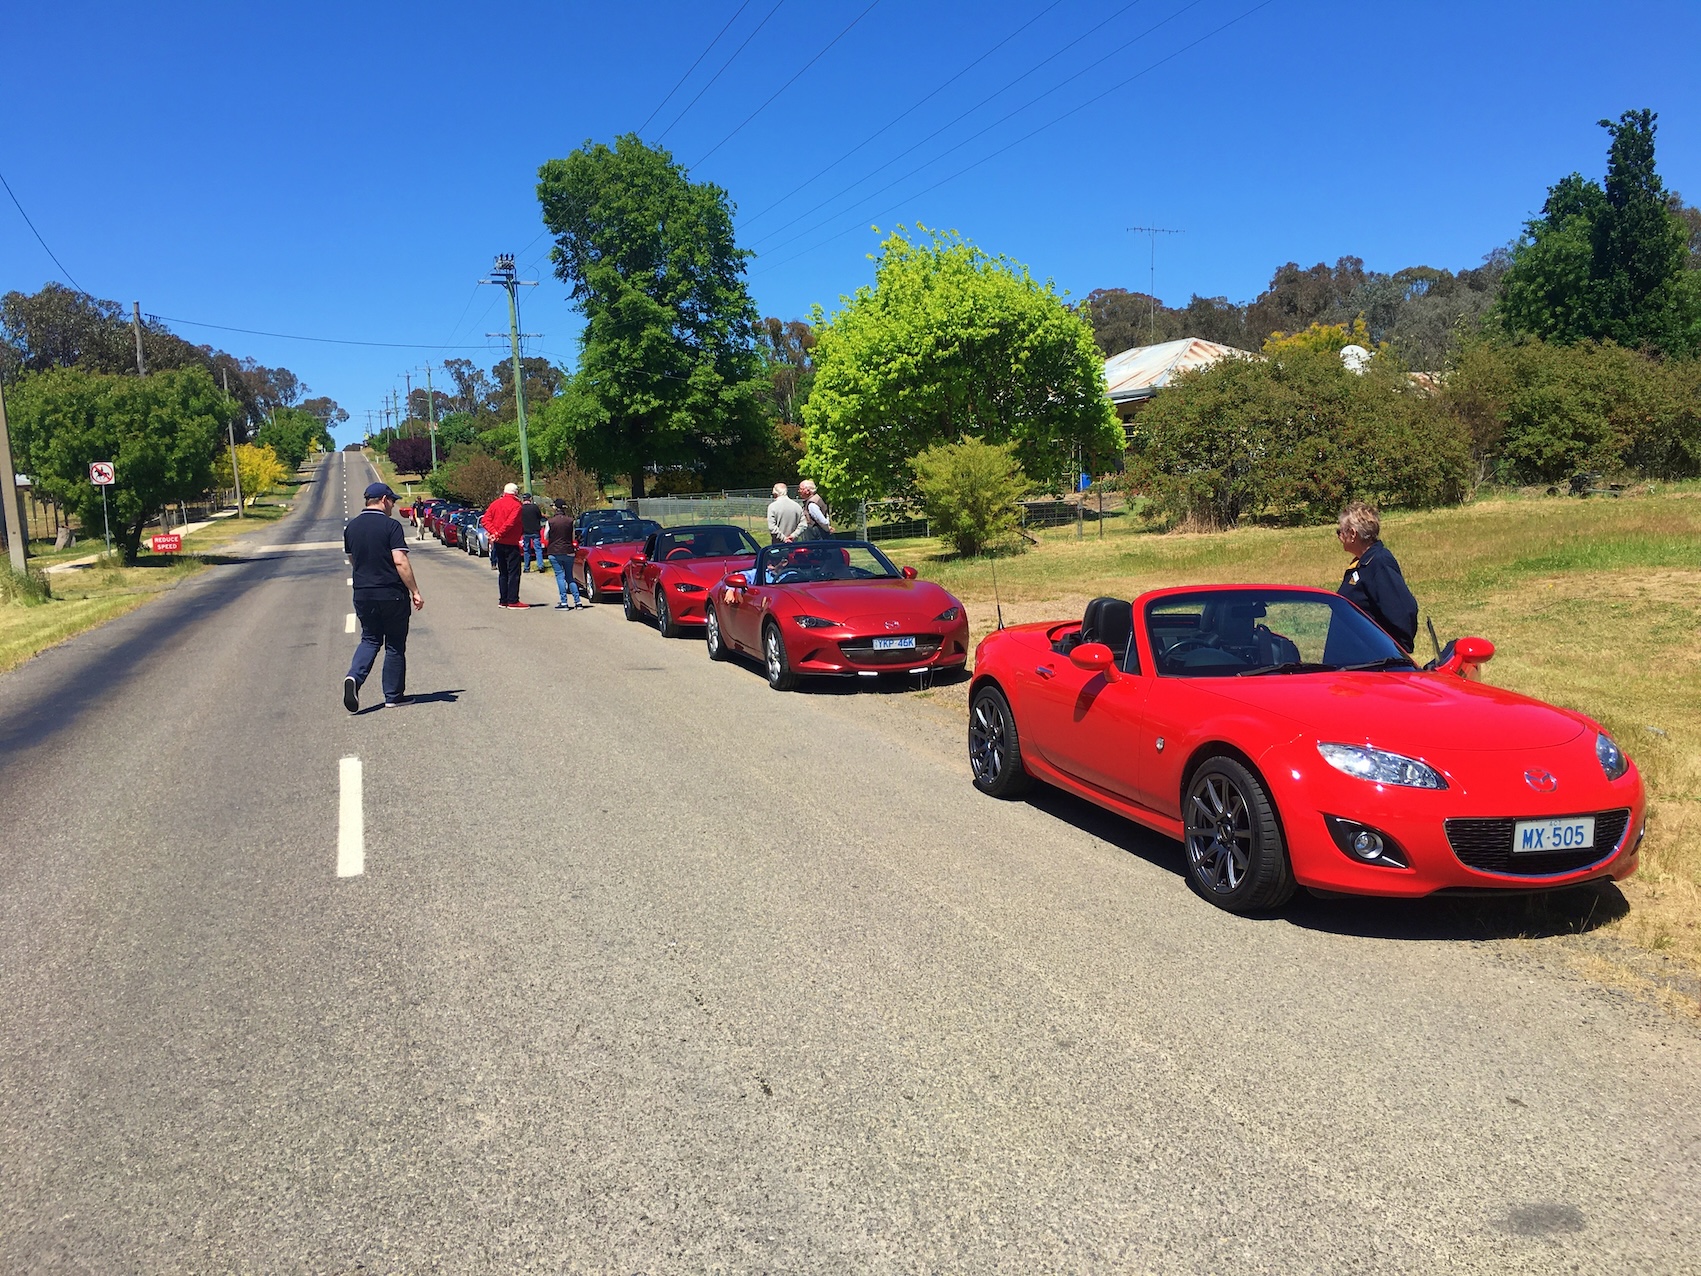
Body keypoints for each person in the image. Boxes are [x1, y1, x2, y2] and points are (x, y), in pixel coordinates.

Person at [342, 482, 424, 712]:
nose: (393, 506)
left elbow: (353, 560)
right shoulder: (391, 526)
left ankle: (354, 678)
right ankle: (393, 695)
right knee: (395, 645)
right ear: (384, 499)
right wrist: (415, 591)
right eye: (393, 501)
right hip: (391, 593)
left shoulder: (352, 528)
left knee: (369, 639)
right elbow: (400, 561)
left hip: (363, 592)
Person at [1336, 501, 1418, 652]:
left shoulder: (1379, 562)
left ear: (1353, 534)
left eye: (1340, 531)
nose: (1339, 536)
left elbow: (1403, 611)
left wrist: (1394, 652)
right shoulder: (1363, 562)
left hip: (1371, 660)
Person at [482, 482, 527, 608]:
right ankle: (513, 600)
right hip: (511, 542)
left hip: (499, 543)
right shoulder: (517, 505)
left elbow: (485, 520)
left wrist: (494, 532)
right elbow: (510, 523)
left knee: (503, 572)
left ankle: (503, 599)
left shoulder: (495, 503)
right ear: (516, 493)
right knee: (514, 572)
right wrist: (499, 533)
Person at [545, 498, 584, 610]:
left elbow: (546, 537)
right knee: (570, 577)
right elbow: (572, 537)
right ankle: (578, 602)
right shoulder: (570, 521)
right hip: (568, 551)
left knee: (560, 576)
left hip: (554, 551)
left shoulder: (550, 522)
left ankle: (564, 602)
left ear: (555, 508)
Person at [520, 492, 546, 572]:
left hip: (525, 532)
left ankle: (526, 568)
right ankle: (540, 566)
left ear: (523, 499)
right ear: (530, 499)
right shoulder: (534, 507)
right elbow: (540, 517)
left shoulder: (520, 508)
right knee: (538, 549)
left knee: (526, 550)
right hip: (535, 531)